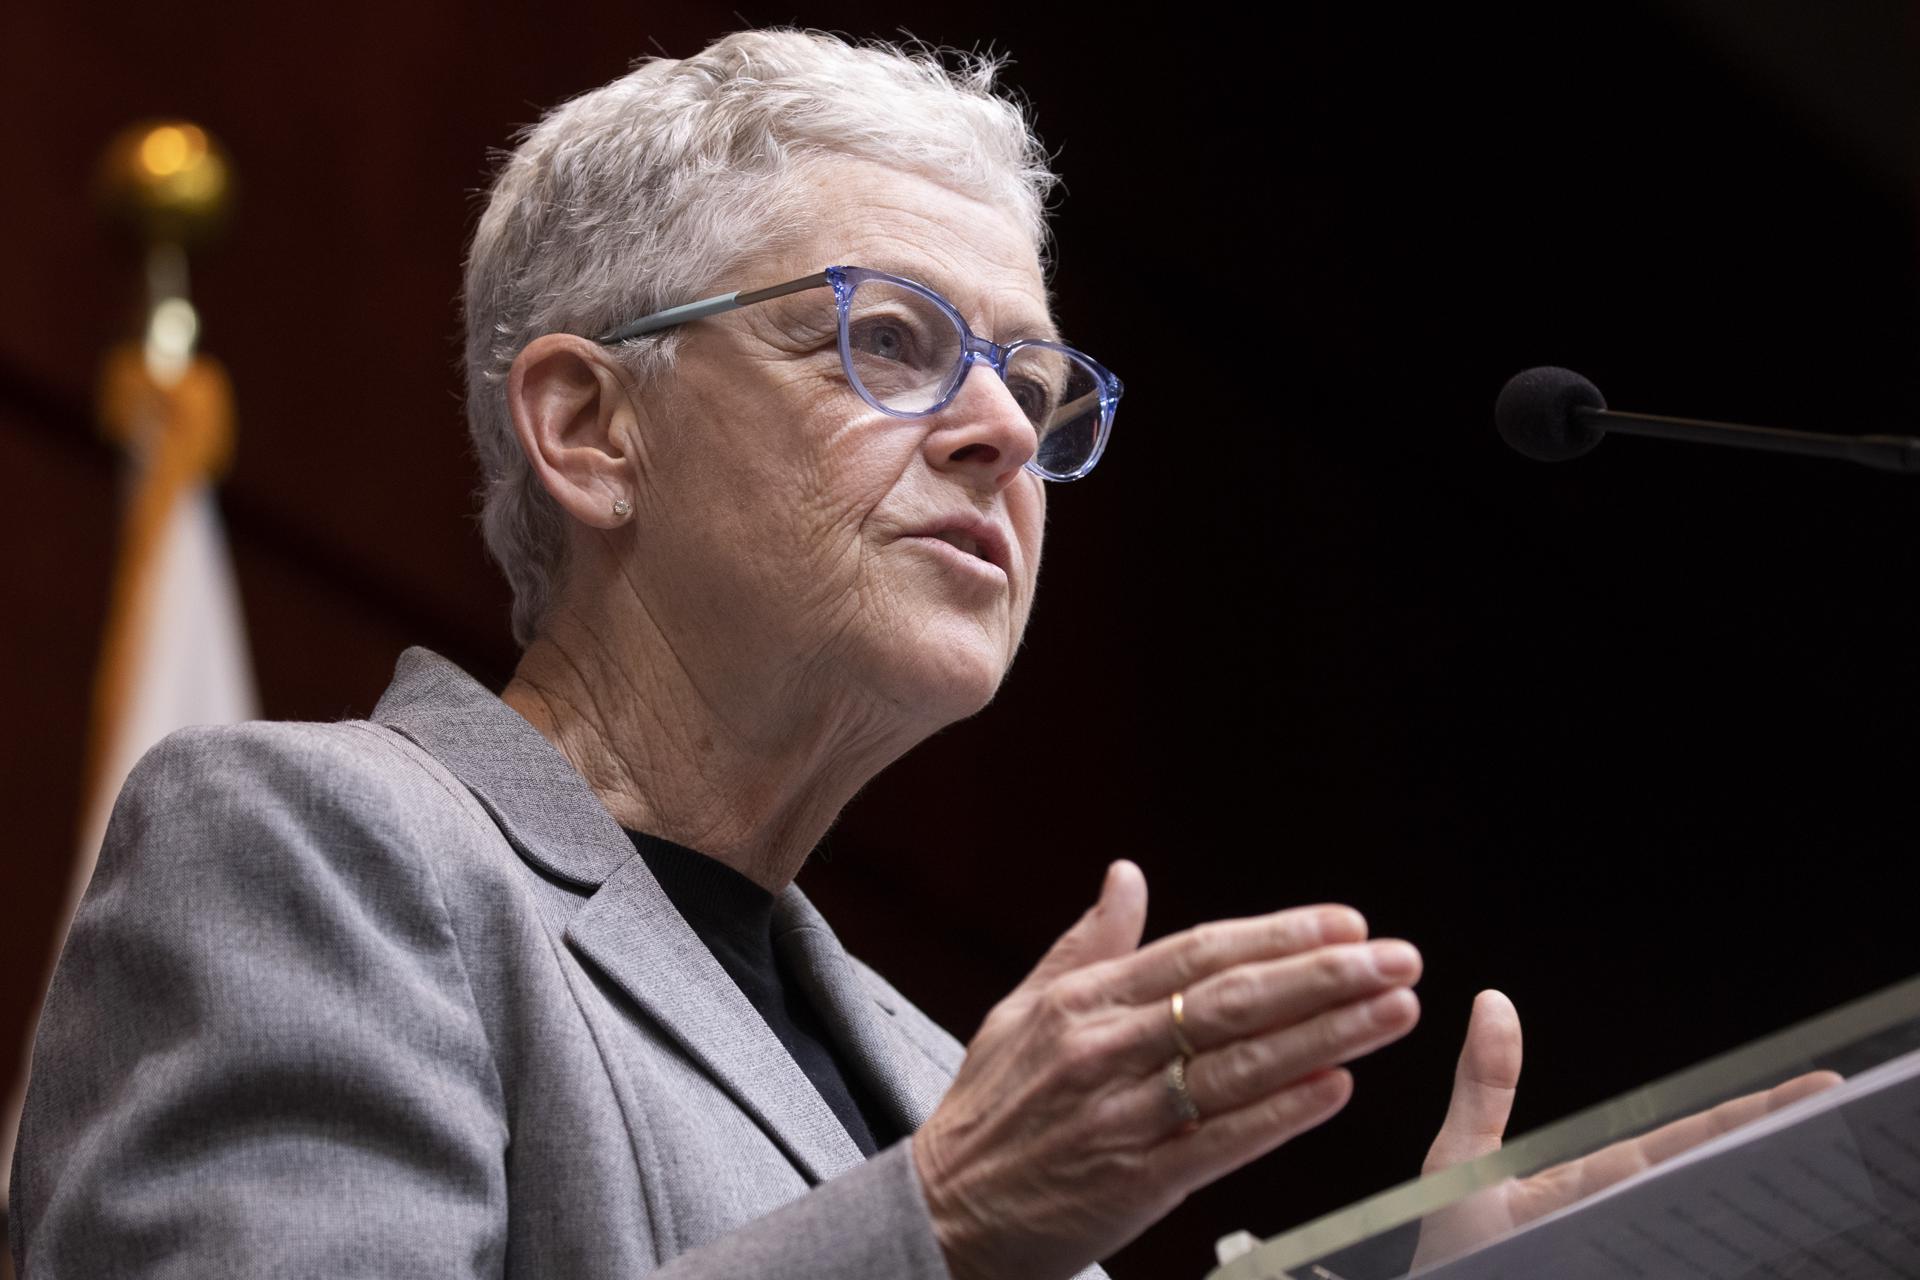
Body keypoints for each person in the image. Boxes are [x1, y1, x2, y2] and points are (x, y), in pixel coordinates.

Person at [6, 28, 1826, 1280]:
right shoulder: (316, 851)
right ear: (588, 429)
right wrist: (937, 1230)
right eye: (891, 342)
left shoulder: (947, 1074)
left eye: (1034, 387)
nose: (998, 436)